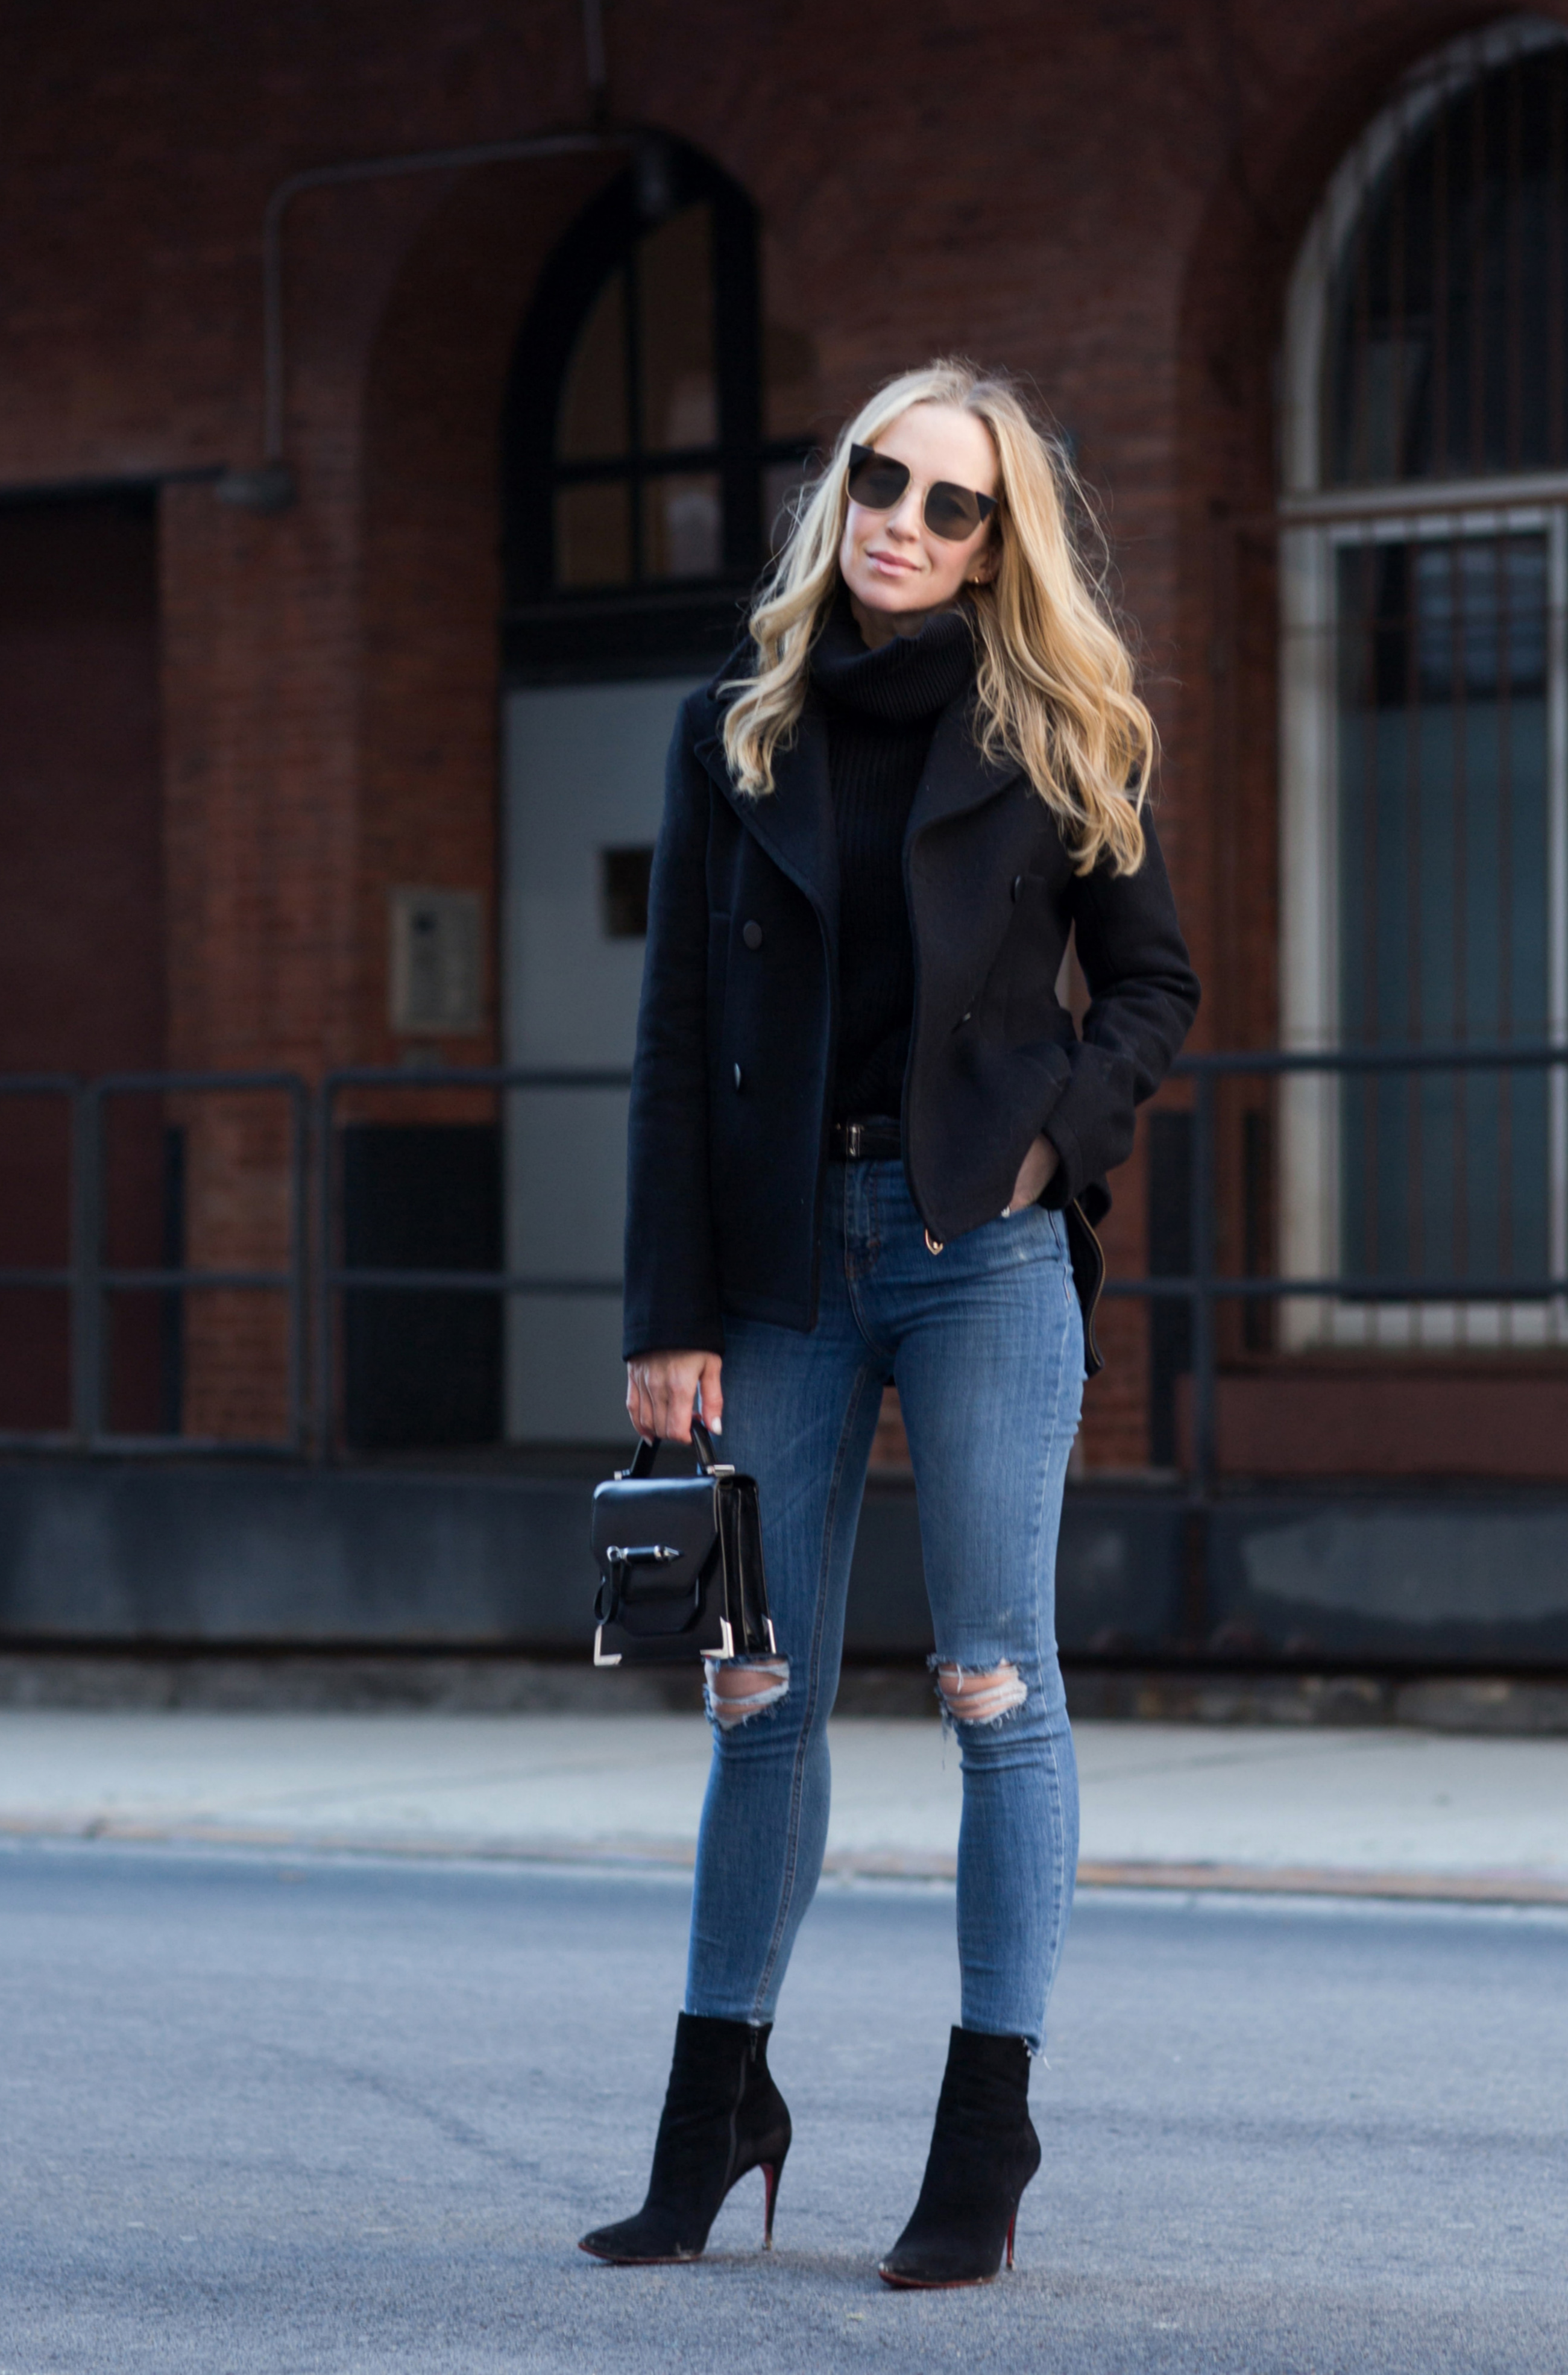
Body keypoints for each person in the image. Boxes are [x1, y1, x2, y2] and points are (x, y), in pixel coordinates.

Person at [579, 359, 1198, 2287]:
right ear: (835, 489)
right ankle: (714, 2114)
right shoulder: (734, 729)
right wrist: (665, 1306)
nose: (905, 523)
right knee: (752, 1691)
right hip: (774, 1265)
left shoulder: (1059, 725)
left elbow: (1156, 985)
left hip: (980, 1254)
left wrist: (1050, 1146)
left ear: (1001, 540)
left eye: (953, 503)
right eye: (881, 479)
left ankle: (984, 2139)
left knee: (995, 1681)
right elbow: (676, 1037)